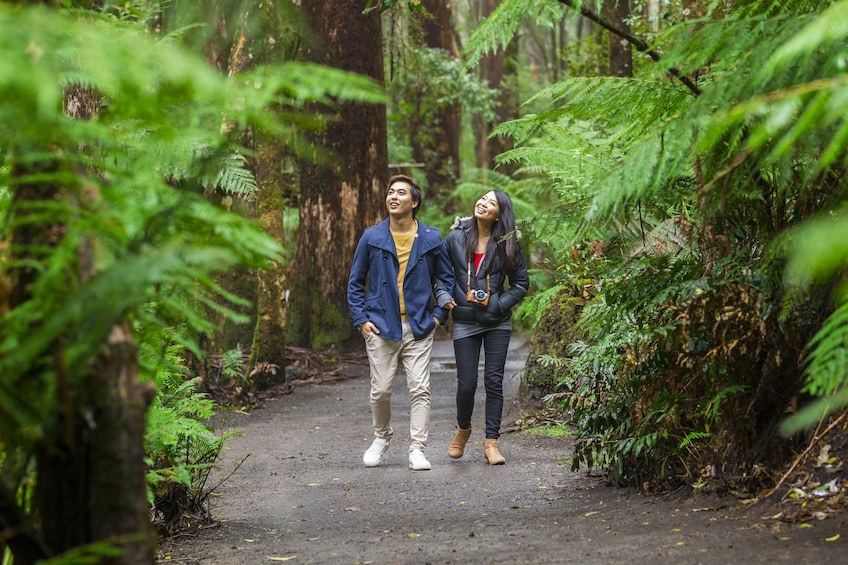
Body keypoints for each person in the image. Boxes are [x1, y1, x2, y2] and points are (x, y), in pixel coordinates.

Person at [347, 174, 456, 471]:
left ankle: (417, 449)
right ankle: (381, 438)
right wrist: (361, 321)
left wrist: (437, 317)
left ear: (414, 202)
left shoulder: (431, 237)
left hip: (420, 325)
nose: (393, 197)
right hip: (381, 326)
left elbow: (445, 279)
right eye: (390, 192)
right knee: (380, 390)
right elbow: (356, 282)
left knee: (420, 389)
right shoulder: (372, 236)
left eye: (401, 193)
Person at [441, 190, 529, 465]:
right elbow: (442, 276)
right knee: (466, 385)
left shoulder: (507, 243)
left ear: (499, 213)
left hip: (496, 322)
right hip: (465, 321)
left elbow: (520, 284)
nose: (483, 203)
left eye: (491, 202)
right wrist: (453, 299)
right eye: (482, 198)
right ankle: (463, 430)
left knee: (493, 382)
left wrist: (497, 305)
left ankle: (491, 442)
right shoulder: (455, 238)